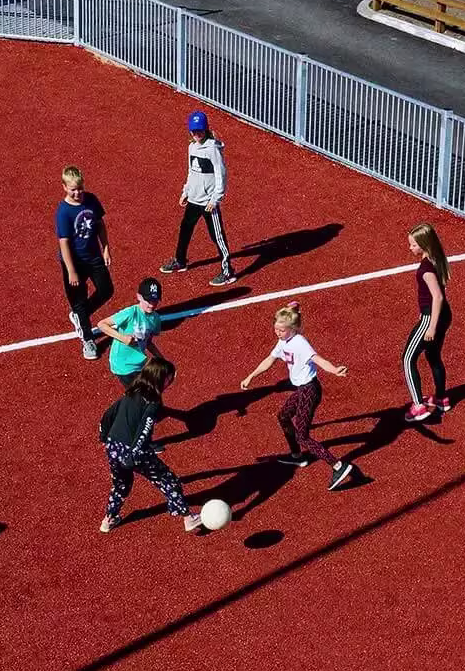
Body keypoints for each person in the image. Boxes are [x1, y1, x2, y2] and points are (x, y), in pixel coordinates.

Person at [241, 303, 357, 490]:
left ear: (292, 329)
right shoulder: (284, 341)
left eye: (281, 330)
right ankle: (297, 457)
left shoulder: (300, 343)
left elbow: (317, 359)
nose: (277, 333)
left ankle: (338, 466)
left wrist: (334, 370)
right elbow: (269, 360)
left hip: (309, 390)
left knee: (303, 436)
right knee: (283, 416)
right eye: (276, 329)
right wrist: (251, 376)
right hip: (301, 390)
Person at [98, 356, 203, 534]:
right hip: (134, 451)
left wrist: (103, 436)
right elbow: (144, 429)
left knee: (120, 485)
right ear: (161, 378)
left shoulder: (131, 392)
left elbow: (108, 415)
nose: (172, 380)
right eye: (170, 377)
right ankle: (187, 517)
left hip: (112, 446)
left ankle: (108, 519)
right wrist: (134, 452)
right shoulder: (153, 402)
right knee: (167, 479)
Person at [163, 111, 235, 287]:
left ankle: (228, 271)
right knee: (185, 229)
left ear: (206, 129)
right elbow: (191, 172)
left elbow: (221, 175)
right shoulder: (192, 147)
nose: (197, 134)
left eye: (200, 130)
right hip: (194, 199)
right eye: (194, 131)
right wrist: (186, 191)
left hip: (209, 202)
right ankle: (180, 261)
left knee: (216, 236)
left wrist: (215, 199)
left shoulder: (213, 149)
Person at [55, 165, 114, 360]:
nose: (77, 192)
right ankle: (88, 340)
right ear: (64, 187)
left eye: (79, 188)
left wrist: (105, 248)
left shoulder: (91, 200)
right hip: (75, 262)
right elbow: (63, 243)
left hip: (94, 257)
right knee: (78, 300)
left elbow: (100, 225)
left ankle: (80, 316)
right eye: (73, 189)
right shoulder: (63, 212)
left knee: (107, 290)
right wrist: (71, 270)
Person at [404, 223, 453, 421]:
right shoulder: (436, 258)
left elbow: (437, 297)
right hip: (444, 316)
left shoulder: (425, 268)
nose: (410, 248)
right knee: (433, 357)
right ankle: (441, 399)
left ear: (423, 245)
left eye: (413, 245)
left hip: (431, 317)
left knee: (408, 359)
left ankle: (418, 406)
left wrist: (430, 326)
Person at [97, 277, 165, 390]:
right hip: (123, 365)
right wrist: (122, 338)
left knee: (148, 393)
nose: (152, 305)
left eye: (155, 301)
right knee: (142, 395)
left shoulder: (155, 319)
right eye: (148, 300)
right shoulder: (130, 313)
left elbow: (148, 342)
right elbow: (102, 324)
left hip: (140, 363)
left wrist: (162, 360)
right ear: (139, 296)